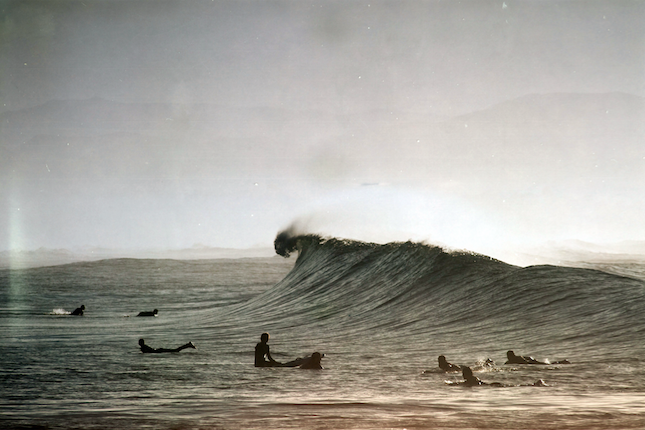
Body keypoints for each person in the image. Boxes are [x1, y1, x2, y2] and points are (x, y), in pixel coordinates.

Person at [505, 350, 570, 365]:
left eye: (509, 356)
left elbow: (527, 359)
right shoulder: (509, 362)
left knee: (547, 365)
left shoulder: (518, 358)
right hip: (531, 362)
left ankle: (561, 362)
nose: (508, 357)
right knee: (546, 365)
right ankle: (561, 362)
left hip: (532, 362)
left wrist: (531, 360)